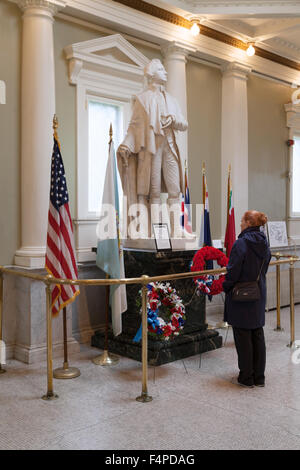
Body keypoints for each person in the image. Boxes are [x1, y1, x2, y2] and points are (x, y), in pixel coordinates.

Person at [117, 58, 188, 238]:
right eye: (162, 70)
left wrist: (173, 119)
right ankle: (156, 229)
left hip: (170, 146)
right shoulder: (142, 99)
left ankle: (177, 229)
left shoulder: (171, 99)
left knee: (175, 189)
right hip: (151, 149)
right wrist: (126, 144)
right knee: (153, 191)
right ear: (152, 74)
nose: (166, 72)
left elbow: (184, 124)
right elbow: (133, 126)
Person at [223, 210, 271, 388]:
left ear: (249, 223)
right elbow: (264, 267)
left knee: (243, 336)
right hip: (258, 292)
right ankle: (259, 377)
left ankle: (246, 377)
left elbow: (233, 270)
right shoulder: (265, 242)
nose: (240, 223)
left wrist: (226, 285)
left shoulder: (241, 243)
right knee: (257, 333)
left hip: (241, 295)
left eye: (242, 221)